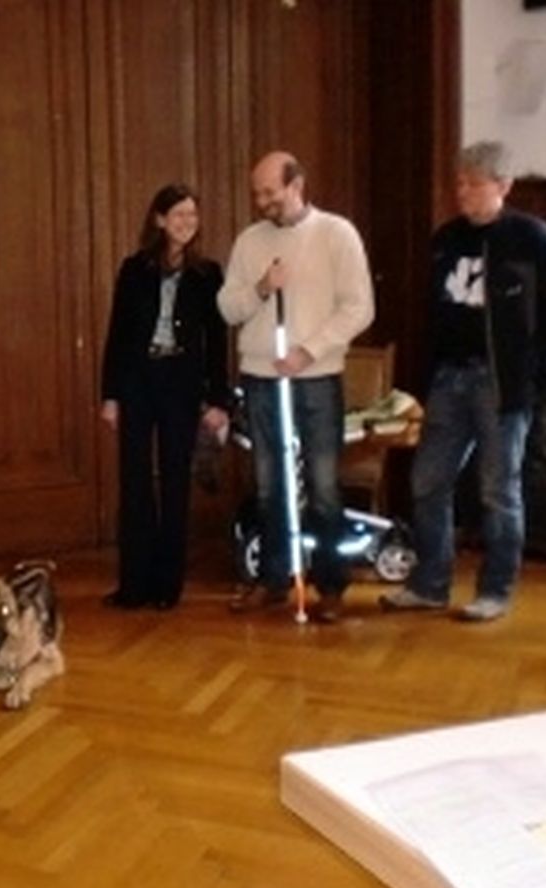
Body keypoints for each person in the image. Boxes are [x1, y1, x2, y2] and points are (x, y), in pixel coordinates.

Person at [381, 142, 546, 622]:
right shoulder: (446, 239)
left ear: (503, 186)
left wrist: (539, 374)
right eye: (458, 182)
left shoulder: (534, 240)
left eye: (473, 184)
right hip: (449, 380)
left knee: (499, 490)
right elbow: (432, 314)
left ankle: (495, 590)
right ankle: (429, 584)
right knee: (427, 481)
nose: (462, 192)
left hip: (501, 384)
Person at [218, 151, 374, 623]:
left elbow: (359, 307)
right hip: (262, 379)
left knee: (324, 487)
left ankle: (330, 585)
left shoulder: (336, 234)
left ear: (296, 185)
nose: (262, 201)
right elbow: (228, 308)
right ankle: (273, 579)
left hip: (316, 379)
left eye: (270, 192)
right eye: (257, 193)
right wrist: (262, 288)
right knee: (269, 487)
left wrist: (309, 350)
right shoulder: (250, 242)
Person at [99, 183, 230, 609]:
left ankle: (167, 586)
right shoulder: (134, 269)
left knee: (176, 481)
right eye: (178, 215)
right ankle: (133, 585)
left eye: (192, 215)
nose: (187, 223)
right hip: (138, 382)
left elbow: (217, 341)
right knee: (135, 481)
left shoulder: (207, 274)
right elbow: (118, 336)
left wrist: (218, 400)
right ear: (159, 220)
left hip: (181, 384)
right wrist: (111, 395)